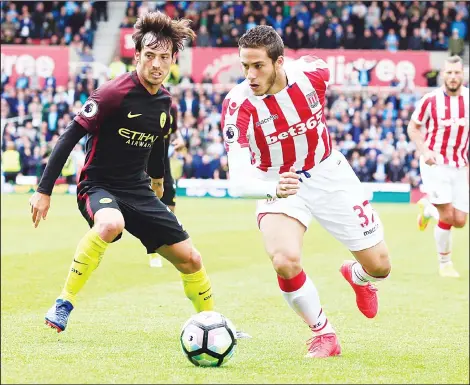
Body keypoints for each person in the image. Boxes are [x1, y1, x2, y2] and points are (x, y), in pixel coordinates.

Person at [29, 11, 215, 333]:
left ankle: (212, 321)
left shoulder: (167, 105)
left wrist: (164, 192)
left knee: (192, 259)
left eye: (164, 57)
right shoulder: (113, 94)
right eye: (150, 56)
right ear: (137, 55)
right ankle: (63, 303)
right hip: (98, 186)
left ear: (173, 60)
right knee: (112, 223)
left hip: (138, 191)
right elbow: (69, 137)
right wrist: (44, 190)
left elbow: (159, 152)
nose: (157, 64)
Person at [221, 26, 391, 358]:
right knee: (284, 259)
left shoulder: (313, 73)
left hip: (328, 171)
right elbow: (238, 183)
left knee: (380, 266)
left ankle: (356, 276)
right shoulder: (238, 105)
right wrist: (273, 187)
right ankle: (324, 334)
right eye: (245, 66)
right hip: (276, 181)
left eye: (258, 66)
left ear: (279, 62)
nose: (250, 75)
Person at [408, 55, 469, 278]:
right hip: (436, 165)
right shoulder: (430, 100)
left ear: (463, 74)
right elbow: (413, 128)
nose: (453, 77)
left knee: (460, 220)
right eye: (449, 73)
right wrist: (425, 151)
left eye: (457, 73)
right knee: (447, 216)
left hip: (460, 166)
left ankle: (428, 208)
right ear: (443, 74)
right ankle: (445, 263)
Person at [148, 103, 186, 267]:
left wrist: (180, 139)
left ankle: (169, 248)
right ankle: (152, 252)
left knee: (169, 211)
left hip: (165, 165)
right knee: (150, 211)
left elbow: (175, 129)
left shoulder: (172, 107)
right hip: (146, 164)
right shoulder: (143, 106)